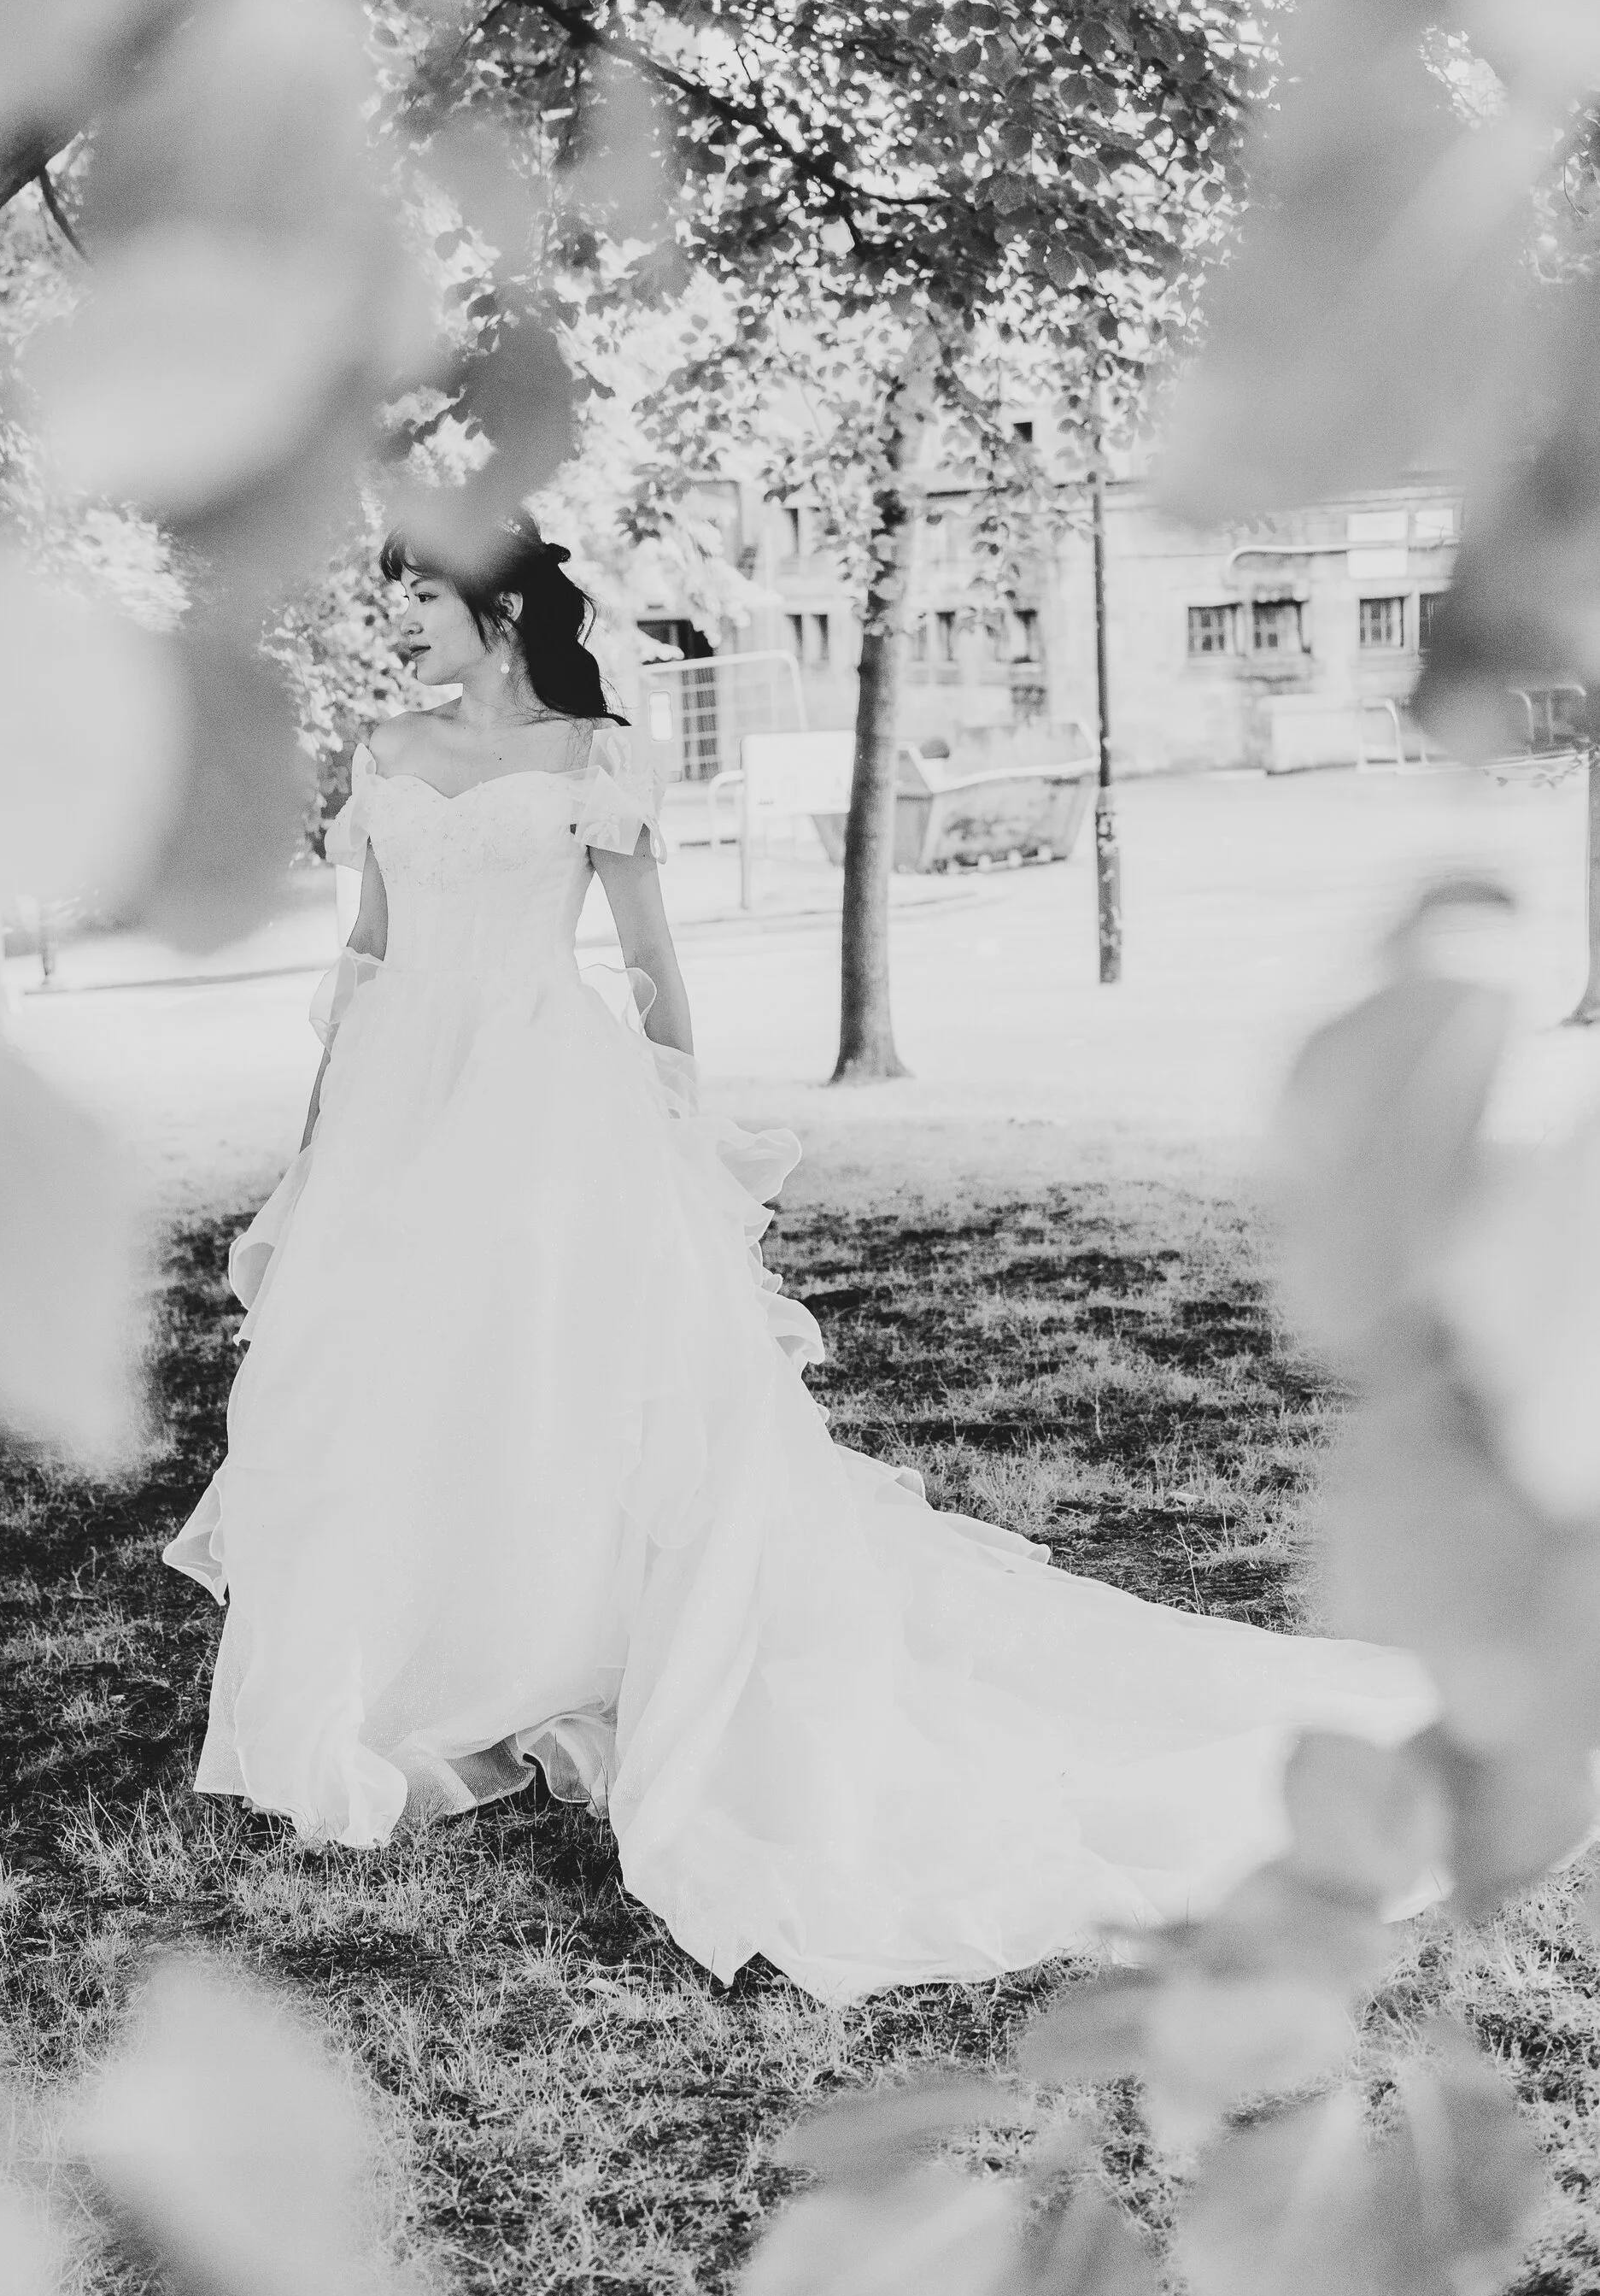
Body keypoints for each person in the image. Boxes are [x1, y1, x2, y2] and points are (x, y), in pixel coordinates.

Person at [165, 514, 1431, 2001]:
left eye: (425, 602)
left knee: (570, 1372)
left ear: (499, 607)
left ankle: (568, 1644)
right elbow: (366, 959)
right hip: (399, 1108)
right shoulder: (383, 747)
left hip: (550, 1098)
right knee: (396, 1379)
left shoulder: (596, 756)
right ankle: (415, 1675)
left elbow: (648, 963)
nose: (406, 631)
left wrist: (680, 1135)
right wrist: (317, 1155)